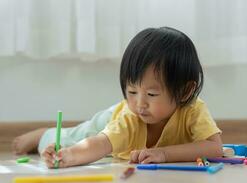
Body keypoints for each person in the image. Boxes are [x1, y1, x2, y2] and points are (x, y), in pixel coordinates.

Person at [12, 27, 223, 168]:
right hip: (112, 117)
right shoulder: (131, 115)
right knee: (74, 137)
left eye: (151, 94)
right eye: (132, 91)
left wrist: (164, 154)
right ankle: (42, 135)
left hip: (126, 126)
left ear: (185, 92)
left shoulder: (193, 109)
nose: (140, 103)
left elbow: (214, 147)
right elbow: (99, 144)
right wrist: (67, 157)